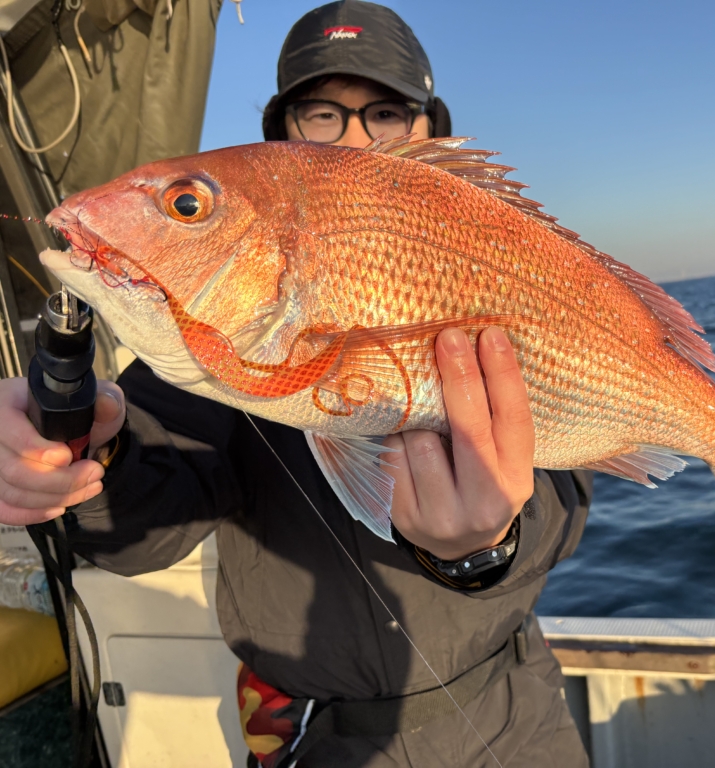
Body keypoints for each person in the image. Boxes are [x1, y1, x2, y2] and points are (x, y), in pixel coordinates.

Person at [0, 2, 593, 767]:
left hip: (517, 719)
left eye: (386, 112)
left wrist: (487, 546)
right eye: (321, 113)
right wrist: (84, 446)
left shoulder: (505, 265)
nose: (353, 138)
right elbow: (143, 520)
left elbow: (571, 496)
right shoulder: (210, 347)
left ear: (429, 128)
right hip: (310, 742)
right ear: (282, 137)